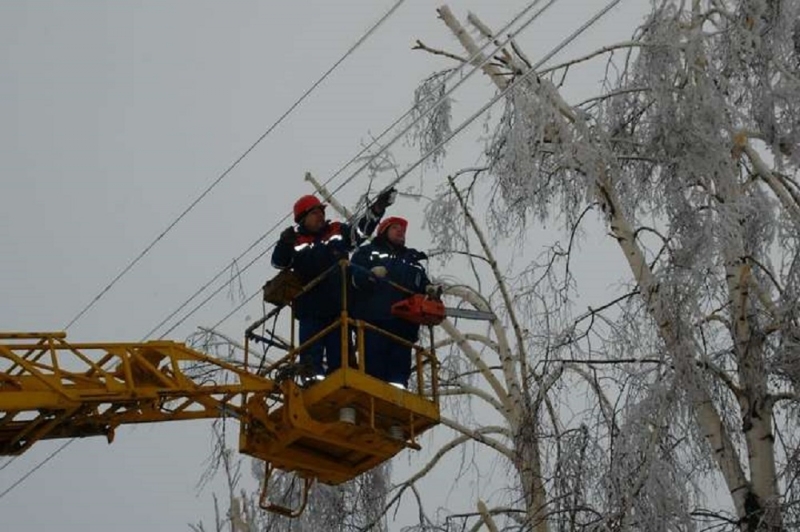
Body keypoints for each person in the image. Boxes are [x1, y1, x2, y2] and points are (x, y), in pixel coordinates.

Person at [271, 189, 396, 381]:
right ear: (302, 219)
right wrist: (283, 243)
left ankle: (344, 385)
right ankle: (312, 385)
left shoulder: (336, 231)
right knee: (311, 362)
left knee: (342, 360)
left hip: (339, 308)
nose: (320, 216)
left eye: (322, 212)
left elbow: (359, 233)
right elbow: (278, 262)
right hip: (310, 310)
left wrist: (377, 209)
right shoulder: (295, 241)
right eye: (315, 213)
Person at [350, 216, 434, 389]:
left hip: (404, 326)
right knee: (374, 371)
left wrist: (430, 290)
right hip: (375, 320)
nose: (400, 231)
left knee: (398, 377)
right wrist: (369, 276)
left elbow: (422, 283)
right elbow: (353, 277)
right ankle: (373, 393)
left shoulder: (412, 261)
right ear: (383, 231)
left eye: (402, 230)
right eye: (395, 228)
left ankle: (396, 397)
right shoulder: (368, 252)